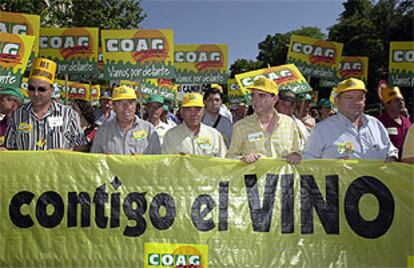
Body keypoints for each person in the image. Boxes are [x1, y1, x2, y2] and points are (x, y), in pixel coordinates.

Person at [303, 78, 398, 160]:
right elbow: (308, 160)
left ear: (364, 101)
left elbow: (391, 151)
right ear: (336, 101)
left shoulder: (376, 125)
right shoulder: (322, 129)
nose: (355, 102)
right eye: (349, 97)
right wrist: (330, 166)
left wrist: (391, 158)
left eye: (360, 98)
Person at [5, 58, 85, 150]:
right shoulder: (17, 115)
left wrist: (65, 152)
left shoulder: (69, 114)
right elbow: (10, 147)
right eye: (31, 88)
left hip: (57, 164)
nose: (35, 93)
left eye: (41, 89)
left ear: (51, 91)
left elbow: (81, 146)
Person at [227, 77, 301, 164]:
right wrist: (242, 159)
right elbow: (229, 158)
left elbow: (298, 151)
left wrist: (296, 155)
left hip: (282, 177)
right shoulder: (240, 127)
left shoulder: (289, 123)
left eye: (261, 95)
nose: (255, 100)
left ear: (275, 99)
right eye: (252, 95)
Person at [91, 86, 161, 155]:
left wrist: (142, 160)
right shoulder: (102, 131)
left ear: (135, 106)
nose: (126, 107)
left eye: (130, 102)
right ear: (113, 107)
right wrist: (104, 159)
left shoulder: (149, 130)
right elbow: (94, 161)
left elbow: (158, 160)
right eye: (120, 103)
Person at [162, 92, 227, 157]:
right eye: (188, 109)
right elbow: (166, 164)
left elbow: (224, 163)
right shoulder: (170, 136)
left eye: (198, 109)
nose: (193, 113)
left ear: (203, 111)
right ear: (182, 112)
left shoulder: (214, 136)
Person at [378, 86, 411, 160]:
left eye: (402, 100)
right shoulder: (379, 123)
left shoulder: (407, 121)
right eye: (397, 100)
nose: (401, 103)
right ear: (387, 104)